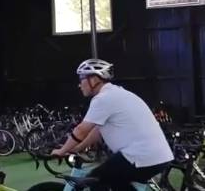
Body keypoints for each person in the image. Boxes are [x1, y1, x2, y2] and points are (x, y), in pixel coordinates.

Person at [50, 58, 173, 191]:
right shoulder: (117, 93)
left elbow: (81, 130)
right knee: (115, 182)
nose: (79, 85)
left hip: (140, 156)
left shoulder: (103, 98)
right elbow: (97, 131)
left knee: (96, 179)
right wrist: (78, 148)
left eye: (81, 79)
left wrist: (62, 151)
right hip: (155, 156)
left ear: (94, 80)